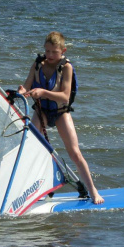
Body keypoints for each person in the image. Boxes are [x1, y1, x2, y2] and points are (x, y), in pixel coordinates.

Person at [18, 31, 104, 204]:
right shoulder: (37, 64)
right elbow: (26, 85)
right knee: (30, 149)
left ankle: (93, 190)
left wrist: (42, 92)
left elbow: (65, 96)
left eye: (54, 52)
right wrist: (20, 92)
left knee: (74, 153)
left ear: (63, 51)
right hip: (41, 111)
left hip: (60, 112)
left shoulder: (66, 67)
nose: (49, 55)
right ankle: (34, 189)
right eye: (47, 51)